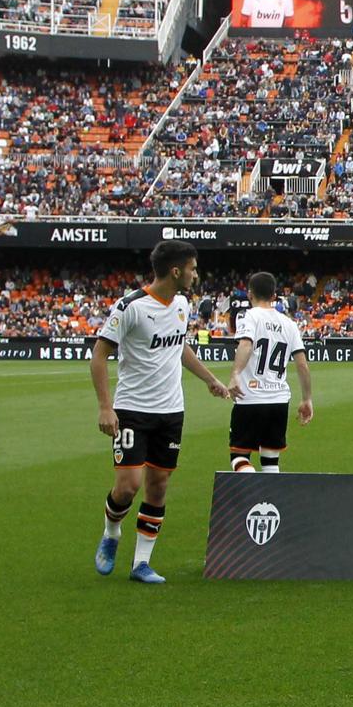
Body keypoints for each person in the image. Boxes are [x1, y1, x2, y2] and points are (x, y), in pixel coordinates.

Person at [90, 240, 231, 584]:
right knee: (127, 486)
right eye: (193, 269)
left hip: (171, 411)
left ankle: (141, 563)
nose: (196, 275)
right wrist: (105, 407)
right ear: (175, 270)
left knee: (158, 486)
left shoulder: (182, 304)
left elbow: (179, 346)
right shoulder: (131, 307)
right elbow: (99, 355)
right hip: (132, 410)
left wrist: (210, 379)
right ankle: (111, 533)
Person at [227, 271, 313, 474]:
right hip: (278, 400)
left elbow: (246, 344)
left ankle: (250, 499)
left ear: (250, 294)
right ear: (274, 296)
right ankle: (271, 503)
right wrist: (307, 398)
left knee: (239, 457)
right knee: (271, 462)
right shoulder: (289, 324)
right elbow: (302, 364)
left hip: (250, 398)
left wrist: (235, 374)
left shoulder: (250, 316)